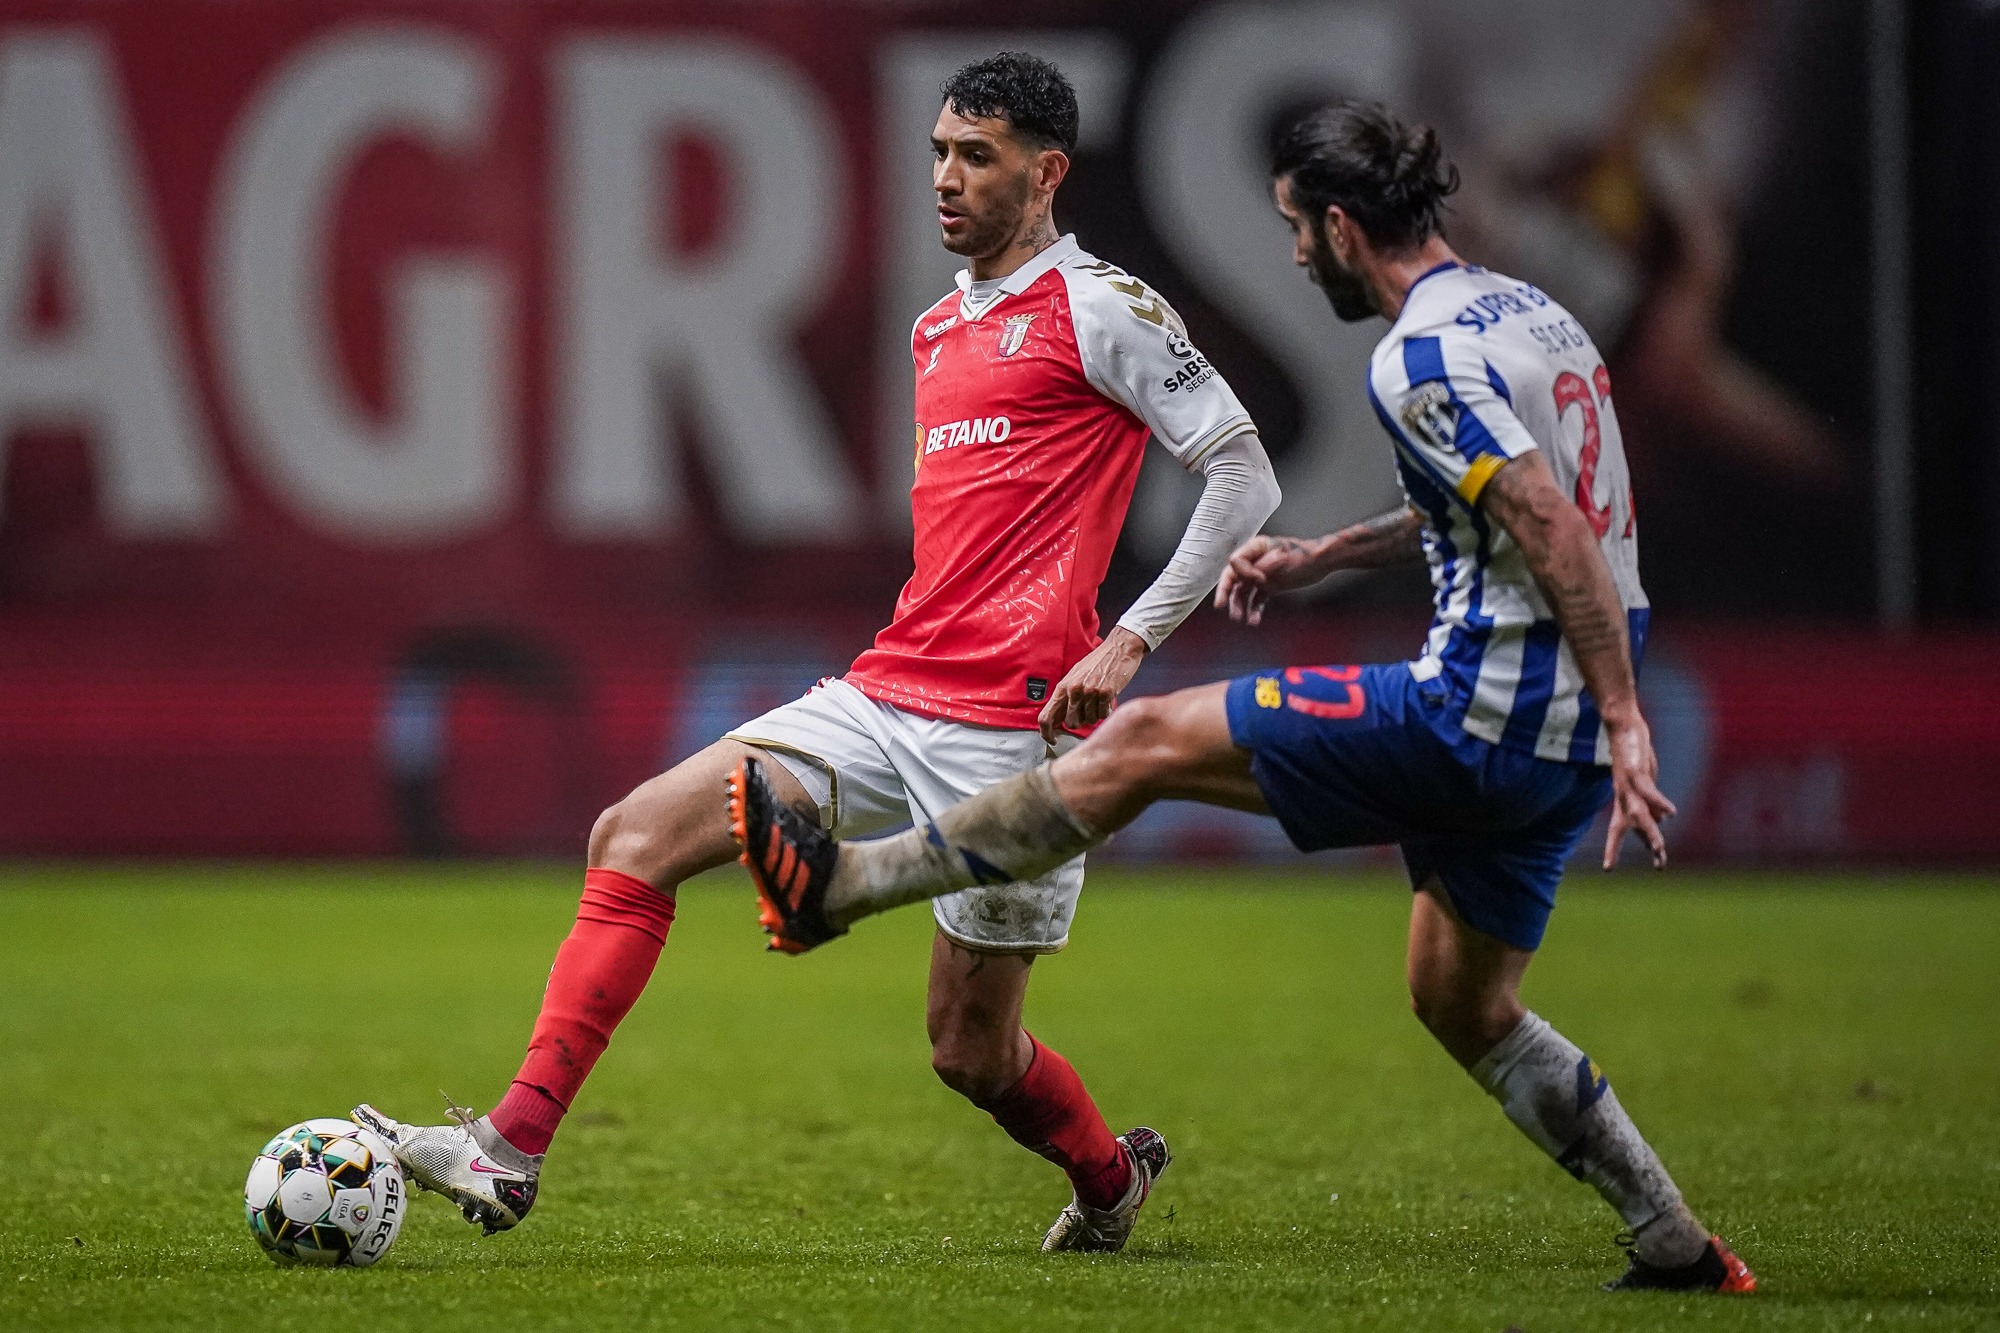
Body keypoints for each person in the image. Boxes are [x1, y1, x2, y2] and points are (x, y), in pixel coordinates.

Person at [733, 101, 1756, 1294]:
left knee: (1143, 741)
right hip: (1557, 738)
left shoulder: (1414, 356)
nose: (1294, 257)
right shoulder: (1531, 314)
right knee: (1460, 1001)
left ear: (1340, 226)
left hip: (1483, 713)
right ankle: (1672, 1238)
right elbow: (1497, 498)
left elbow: (1544, 521)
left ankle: (847, 884)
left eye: (1295, 231)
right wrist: (1326, 554)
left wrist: (1630, 717)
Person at [350, 51, 1281, 1255]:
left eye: (976, 155)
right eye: (938, 151)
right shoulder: (936, 325)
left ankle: (1107, 1178)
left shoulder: (1102, 307)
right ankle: (509, 1146)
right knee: (633, 833)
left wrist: (1128, 638)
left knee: (969, 1051)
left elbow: (1241, 471)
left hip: (1019, 729)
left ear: (1046, 173)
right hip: (887, 691)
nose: (944, 176)